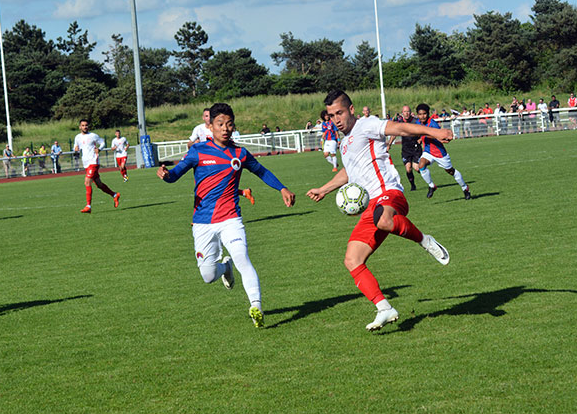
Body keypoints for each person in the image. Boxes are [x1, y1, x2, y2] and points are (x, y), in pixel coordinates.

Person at [306, 90, 451, 331]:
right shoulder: (344, 144)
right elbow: (349, 173)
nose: (336, 119)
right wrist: (324, 189)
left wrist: (434, 131)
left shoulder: (366, 125)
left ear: (351, 109)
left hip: (390, 194)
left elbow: (401, 129)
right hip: (372, 206)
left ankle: (425, 241)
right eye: (331, 116)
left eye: (340, 113)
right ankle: (384, 308)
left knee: (383, 220)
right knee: (352, 260)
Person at [157, 103, 296, 328]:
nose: (225, 128)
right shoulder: (198, 151)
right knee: (208, 275)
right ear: (210, 126)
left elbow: (261, 171)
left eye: (229, 124)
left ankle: (256, 306)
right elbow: (175, 176)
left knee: (243, 257)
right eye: (220, 124)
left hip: (231, 218)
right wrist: (166, 175)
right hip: (202, 222)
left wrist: (282, 188)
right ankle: (225, 267)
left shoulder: (240, 153)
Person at [189, 109, 256, 205]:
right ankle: (244, 192)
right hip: (203, 161)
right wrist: (196, 146)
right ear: (203, 118)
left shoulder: (220, 127)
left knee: (219, 186)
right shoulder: (198, 129)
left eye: (209, 115)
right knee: (208, 187)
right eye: (206, 116)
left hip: (219, 158)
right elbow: (189, 143)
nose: (208, 118)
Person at [415, 103, 471, 200]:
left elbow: (438, 136)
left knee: (450, 171)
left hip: (439, 153)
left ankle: (465, 188)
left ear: (428, 114)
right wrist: (419, 138)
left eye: (424, 114)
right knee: (421, 165)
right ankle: (432, 186)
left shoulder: (433, 124)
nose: (422, 116)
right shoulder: (418, 123)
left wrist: (423, 135)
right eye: (420, 114)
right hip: (428, 151)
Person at [74, 119, 120, 213]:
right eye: (83, 125)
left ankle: (88, 206)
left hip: (93, 162)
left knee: (87, 182)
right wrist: (75, 149)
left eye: (86, 125)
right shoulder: (77, 137)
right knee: (99, 184)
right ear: (80, 127)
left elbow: (103, 142)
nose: (85, 127)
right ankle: (115, 195)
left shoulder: (93, 136)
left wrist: (99, 149)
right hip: (86, 163)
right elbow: (76, 147)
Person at [386, 105, 421, 191]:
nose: (407, 113)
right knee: (408, 169)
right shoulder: (400, 123)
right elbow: (394, 134)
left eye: (408, 111)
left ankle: (426, 175)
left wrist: (421, 139)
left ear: (410, 112)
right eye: (405, 112)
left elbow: (422, 130)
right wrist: (389, 144)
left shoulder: (415, 121)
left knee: (416, 168)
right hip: (406, 149)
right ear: (402, 113)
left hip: (416, 147)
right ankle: (413, 185)